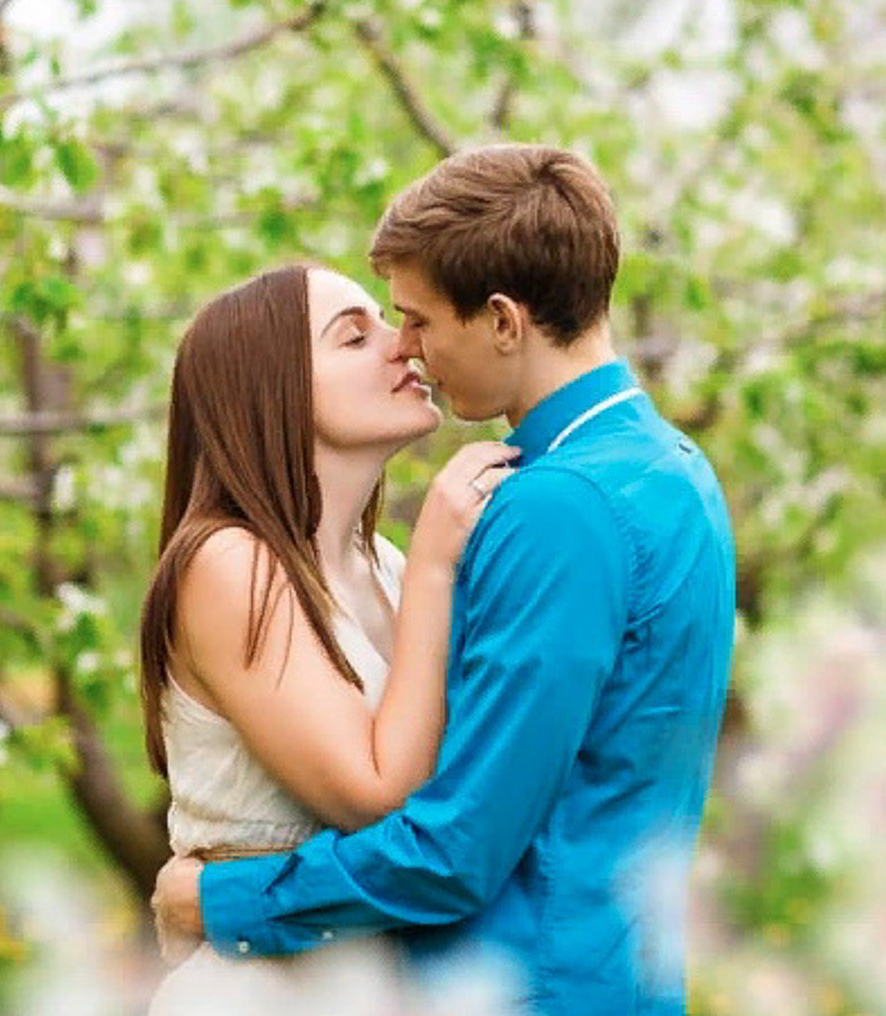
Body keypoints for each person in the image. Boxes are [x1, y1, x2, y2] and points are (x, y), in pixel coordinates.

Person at [151, 144, 738, 1015]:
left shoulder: (552, 507)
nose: (408, 346)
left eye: (414, 319)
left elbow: (457, 844)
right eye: (371, 330)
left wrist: (219, 899)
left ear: (503, 320)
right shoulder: (669, 469)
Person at [138, 261, 519, 1014]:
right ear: (272, 388)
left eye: (390, 320)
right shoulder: (228, 563)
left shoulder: (383, 566)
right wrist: (440, 562)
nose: (404, 344)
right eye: (355, 336)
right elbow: (382, 797)